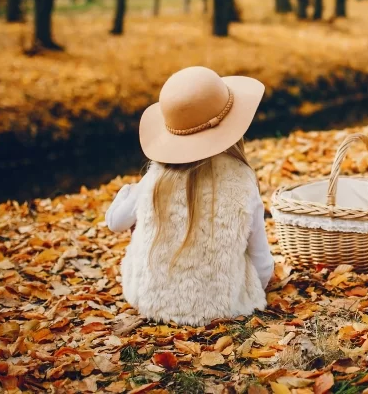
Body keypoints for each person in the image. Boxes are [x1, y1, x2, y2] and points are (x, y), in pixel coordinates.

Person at [104, 67, 274, 326]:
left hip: (151, 301)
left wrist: (129, 191)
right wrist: (258, 286)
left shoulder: (155, 179)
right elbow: (261, 259)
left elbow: (115, 222)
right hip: (224, 305)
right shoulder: (243, 181)